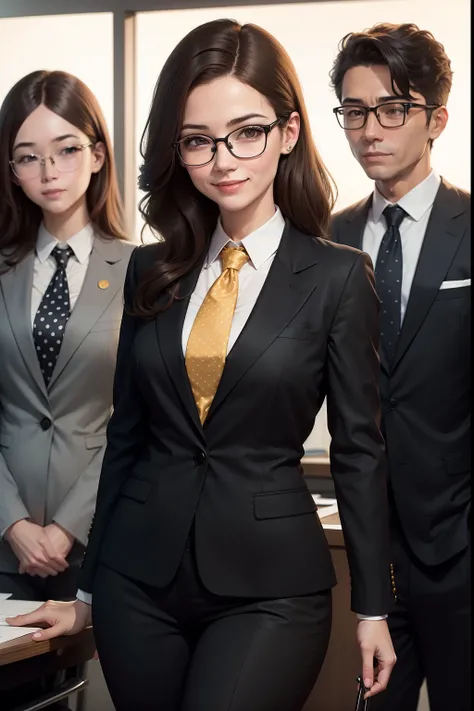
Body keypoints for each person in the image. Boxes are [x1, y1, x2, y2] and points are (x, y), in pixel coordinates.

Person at [8, 20, 396, 711]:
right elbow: (127, 436)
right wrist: (89, 590)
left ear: (289, 131)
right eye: (196, 140)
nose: (223, 159)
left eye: (246, 132)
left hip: (271, 587)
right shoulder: (151, 270)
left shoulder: (339, 276)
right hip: (137, 580)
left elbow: (360, 452)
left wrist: (374, 607)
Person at [329, 23, 470, 711]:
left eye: (392, 109)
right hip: (365, 555)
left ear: (436, 118)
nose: (369, 131)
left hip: (462, 550)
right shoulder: (327, 239)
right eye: (354, 112)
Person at [0, 70, 134, 708]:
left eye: (66, 149)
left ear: (98, 153)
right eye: (29, 156)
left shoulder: (143, 270)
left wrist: (68, 528)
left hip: (100, 538)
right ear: (12, 169)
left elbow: (138, 416)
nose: (49, 170)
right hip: (2, 543)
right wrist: (14, 524)